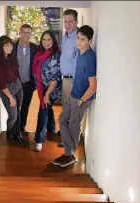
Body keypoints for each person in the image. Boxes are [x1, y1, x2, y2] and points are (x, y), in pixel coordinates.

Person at [52, 25, 97, 167]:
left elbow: (93, 85)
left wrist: (82, 100)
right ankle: (69, 150)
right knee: (62, 119)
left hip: (82, 98)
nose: (79, 41)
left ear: (89, 41)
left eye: (83, 39)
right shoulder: (79, 52)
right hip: (74, 94)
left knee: (73, 124)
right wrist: (72, 91)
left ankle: (69, 154)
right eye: (78, 38)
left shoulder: (90, 57)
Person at [32, 30, 62, 152]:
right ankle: (51, 130)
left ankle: (39, 140)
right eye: (44, 39)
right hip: (42, 87)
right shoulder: (39, 54)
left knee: (43, 109)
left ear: (53, 41)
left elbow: (56, 77)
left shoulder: (56, 55)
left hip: (52, 88)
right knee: (47, 109)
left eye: (49, 39)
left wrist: (47, 94)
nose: (46, 42)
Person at [0, 35, 24, 144]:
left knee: (18, 111)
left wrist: (20, 85)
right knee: (13, 115)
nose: (9, 47)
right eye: (6, 45)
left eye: (10, 44)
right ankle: (9, 133)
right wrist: (10, 97)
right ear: (1, 46)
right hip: (6, 89)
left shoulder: (12, 57)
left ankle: (17, 133)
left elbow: (17, 73)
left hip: (17, 86)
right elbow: (1, 82)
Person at [58, 9, 78, 147]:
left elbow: (77, 63)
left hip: (73, 81)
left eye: (70, 21)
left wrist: (74, 85)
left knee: (72, 116)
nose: (68, 24)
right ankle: (66, 141)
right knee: (66, 113)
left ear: (76, 22)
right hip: (64, 80)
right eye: (65, 21)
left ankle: (71, 146)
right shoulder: (65, 37)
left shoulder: (78, 39)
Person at [13, 24, 38, 133]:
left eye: (28, 33)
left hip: (28, 83)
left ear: (31, 34)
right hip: (15, 83)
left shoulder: (35, 48)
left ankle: (22, 127)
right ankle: (14, 129)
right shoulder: (12, 47)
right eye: (24, 32)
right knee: (14, 107)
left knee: (25, 106)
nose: (26, 35)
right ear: (20, 33)